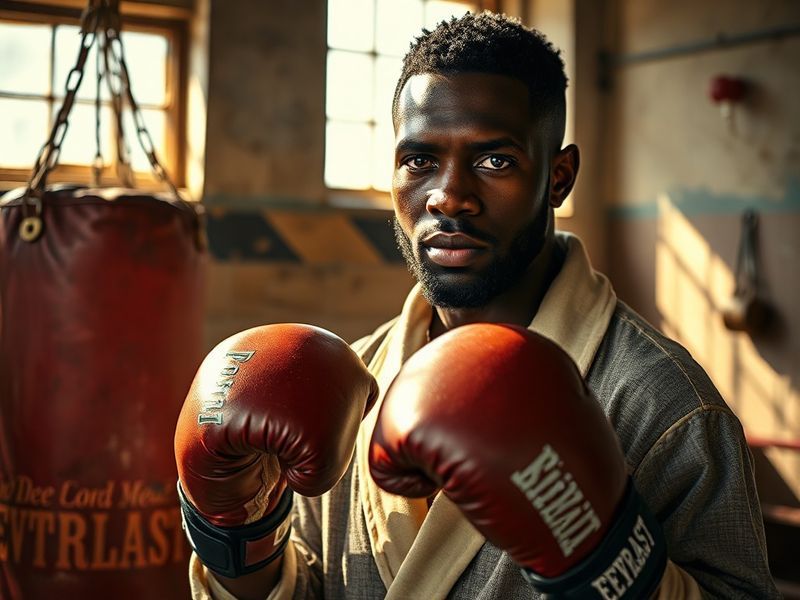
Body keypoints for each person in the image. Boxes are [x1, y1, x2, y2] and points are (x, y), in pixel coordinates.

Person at [176, 12, 779, 599]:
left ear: (559, 177)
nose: (449, 196)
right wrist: (238, 536)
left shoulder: (661, 405)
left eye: (495, 161)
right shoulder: (350, 384)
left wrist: (606, 560)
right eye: (420, 160)